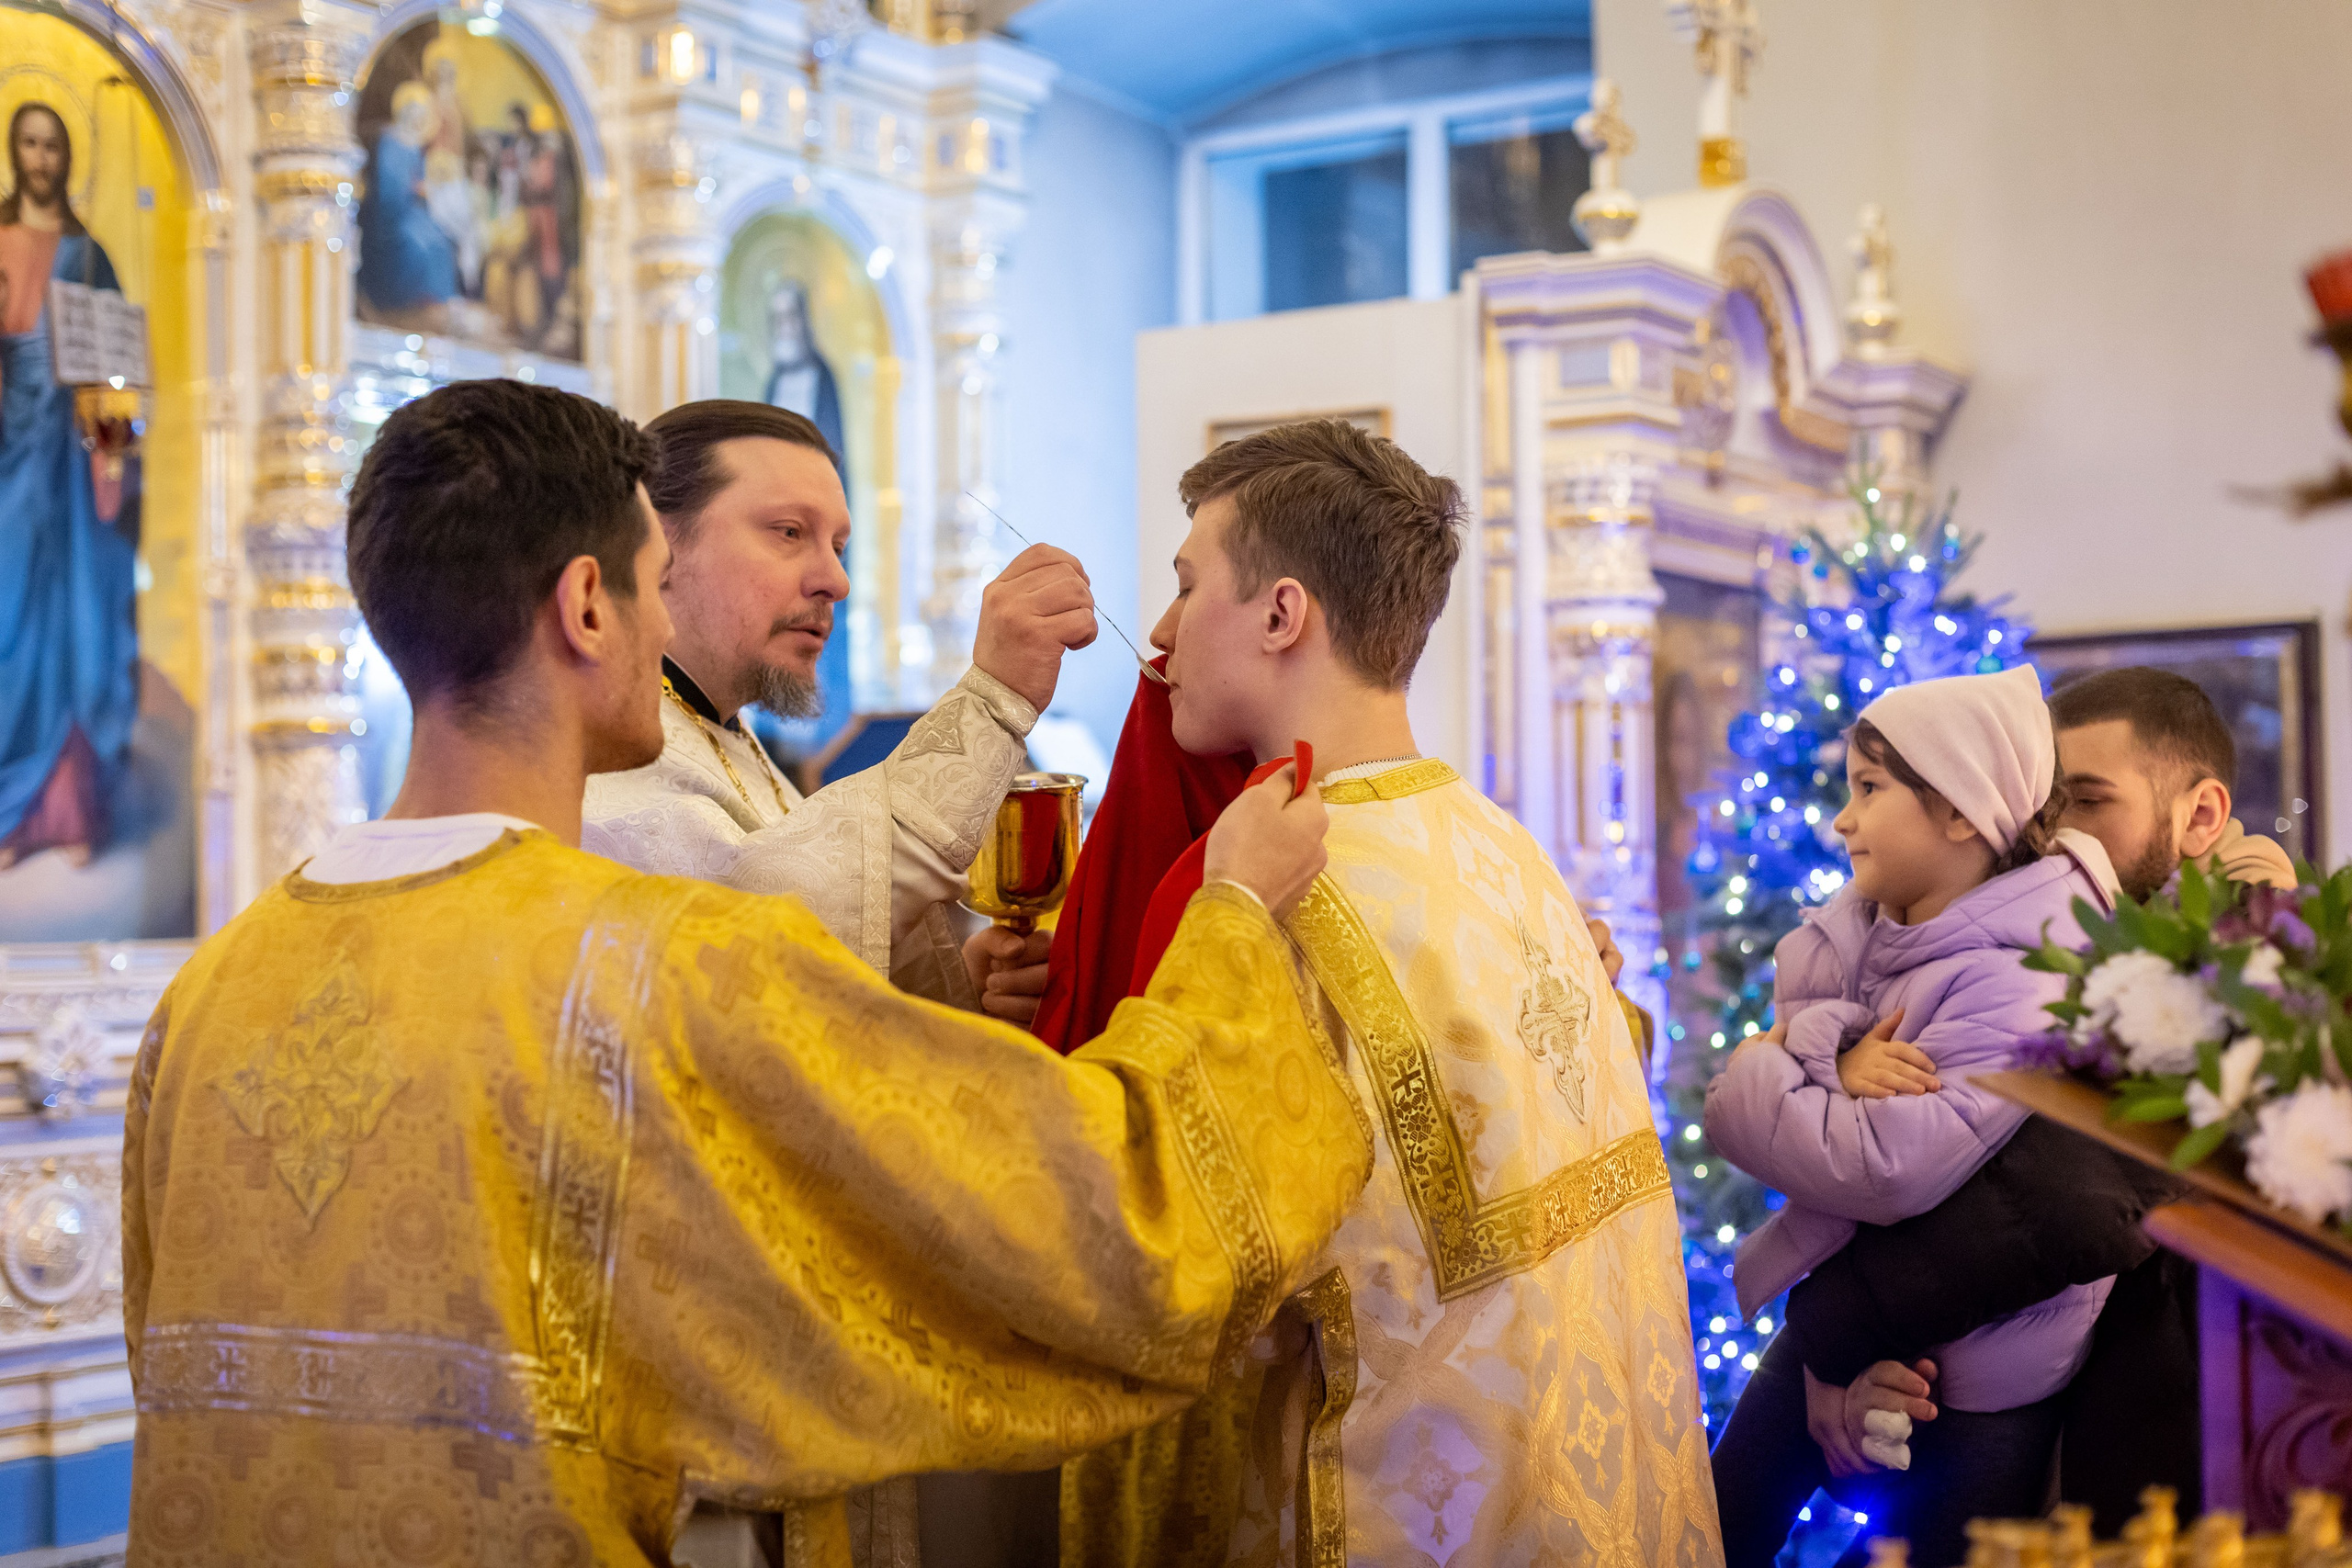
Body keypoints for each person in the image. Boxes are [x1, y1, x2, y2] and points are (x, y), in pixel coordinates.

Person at [120, 379, 1370, 1562]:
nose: (664, 623)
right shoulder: (667, 964)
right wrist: (1236, 917)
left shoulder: (211, 991)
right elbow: (1121, 1224)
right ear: (588, 606)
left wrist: (939, 992)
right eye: (657, 583)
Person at [1047, 420, 1720, 1566]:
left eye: (1184, 582)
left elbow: (1144, 1263)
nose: (1157, 635)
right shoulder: (1508, 852)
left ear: (1280, 614)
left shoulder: (1255, 899)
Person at [1772, 666, 2298, 1541]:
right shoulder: (2026, 948)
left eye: (2088, 802)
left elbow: (2045, 1208)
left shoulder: (2239, 984)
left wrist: (1827, 1337)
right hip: (1977, 1407)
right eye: (2044, 804)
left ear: (2200, 817)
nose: (2048, 835)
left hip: (2151, 1459)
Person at [1703, 667, 2123, 1567]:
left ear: (1961, 811)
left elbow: (1883, 1172)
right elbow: (1783, 1096)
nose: (1840, 820)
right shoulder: (1861, 931)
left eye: (1868, 788)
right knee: (1709, 1525)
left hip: (1979, 1380)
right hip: (1854, 1316)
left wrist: (1758, 1066)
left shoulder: (2032, 965)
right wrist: (1830, 1048)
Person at [582, 400, 1080, 1013]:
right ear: (654, 544)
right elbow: (756, 944)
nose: (836, 580)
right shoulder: (604, 750)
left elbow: (818, 989)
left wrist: (954, 988)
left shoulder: (722, 731)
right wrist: (993, 699)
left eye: (839, 545)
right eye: (790, 532)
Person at [0, 102, 140, 871]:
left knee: (73, 621)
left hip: (73, 461)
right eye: (29, 143)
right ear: (14, 152)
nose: (41, 157)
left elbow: (120, 375)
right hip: (8, 457)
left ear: (67, 156)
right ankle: (10, 815)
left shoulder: (91, 258)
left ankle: (67, 808)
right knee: (9, 622)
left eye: (53, 145)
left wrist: (116, 427)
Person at [356, 81, 459, 321]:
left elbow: (420, 181)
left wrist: (424, 189)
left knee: (440, 241)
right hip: (388, 217)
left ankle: (433, 299)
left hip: (412, 210)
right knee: (418, 245)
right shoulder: (391, 141)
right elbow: (389, 189)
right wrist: (413, 189)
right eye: (413, 114)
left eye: (421, 116)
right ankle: (402, 299)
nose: (416, 120)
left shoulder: (414, 146)